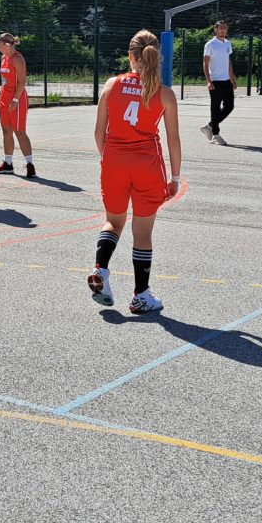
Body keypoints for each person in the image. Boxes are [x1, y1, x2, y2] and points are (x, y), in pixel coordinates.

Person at [88, 30, 182, 314]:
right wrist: (175, 178)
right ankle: (141, 295)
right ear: (157, 57)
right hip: (147, 166)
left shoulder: (111, 84)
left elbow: (99, 133)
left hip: (114, 161)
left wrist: (109, 160)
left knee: (113, 222)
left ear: (131, 56)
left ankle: (101, 270)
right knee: (142, 232)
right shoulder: (164, 94)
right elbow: (173, 140)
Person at [0, 33, 35, 177]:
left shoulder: (18, 59)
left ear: (7, 45)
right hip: (5, 98)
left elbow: (22, 82)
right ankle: (8, 164)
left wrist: (15, 100)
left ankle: (30, 165)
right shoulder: (3, 58)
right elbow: (4, 81)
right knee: (6, 130)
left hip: (18, 98)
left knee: (19, 131)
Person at [198, 20, 236, 145]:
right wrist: (208, 80)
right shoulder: (210, 44)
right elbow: (205, 63)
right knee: (215, 108)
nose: (223, 30)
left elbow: (228, 61)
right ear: (216, 30)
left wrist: (232, 78)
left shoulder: (227, 43)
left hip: (226, 80)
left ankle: (210, 126)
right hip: (215, 80)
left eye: (225, 28)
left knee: (229, 106)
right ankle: (215, 134)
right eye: (220, 28)